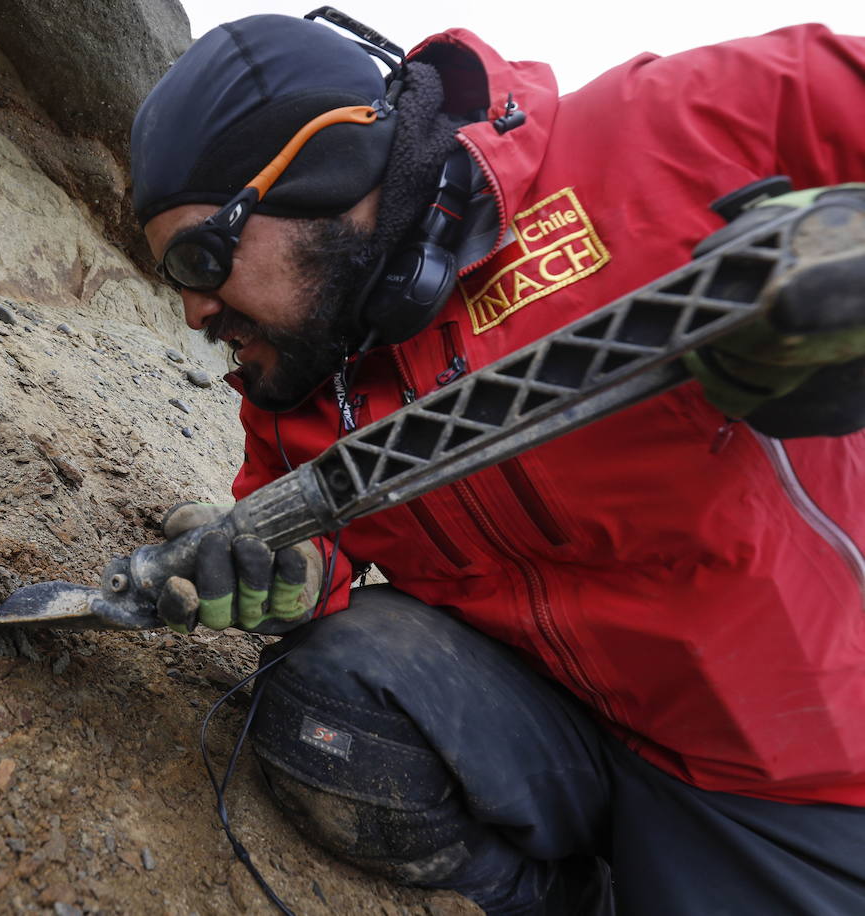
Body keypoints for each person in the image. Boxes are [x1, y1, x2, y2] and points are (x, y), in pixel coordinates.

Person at [128, 12, 865, 915]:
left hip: (794, 767)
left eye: (202, 256)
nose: (196, 311)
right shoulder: (302, 378)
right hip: (555, 727)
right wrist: (294, 570)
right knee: (327, 702)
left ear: (323, 169)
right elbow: (316, 544)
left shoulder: (676, 133)